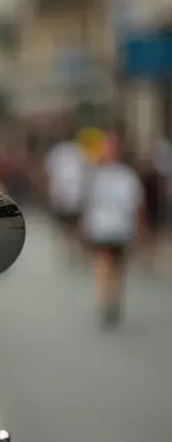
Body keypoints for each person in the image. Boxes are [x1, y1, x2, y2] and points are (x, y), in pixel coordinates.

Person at [80, 131, 146, 327]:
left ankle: (113, 300)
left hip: (120, 229)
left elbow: (136, 205)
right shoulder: (94, 174)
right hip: (100, 229)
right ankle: (104, 301)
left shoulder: (126, 176)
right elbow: (88, 203)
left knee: (116, 269)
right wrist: (85, 226)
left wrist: (139, 230)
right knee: (102, 266)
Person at [43, 133, 88, 261]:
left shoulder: (58, 152)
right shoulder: (79, 151)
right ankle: (73, 249)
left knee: (68, 223)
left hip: (66, 194)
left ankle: (71, 249)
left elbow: (47, 174)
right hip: (71, 195)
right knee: (72, 223)